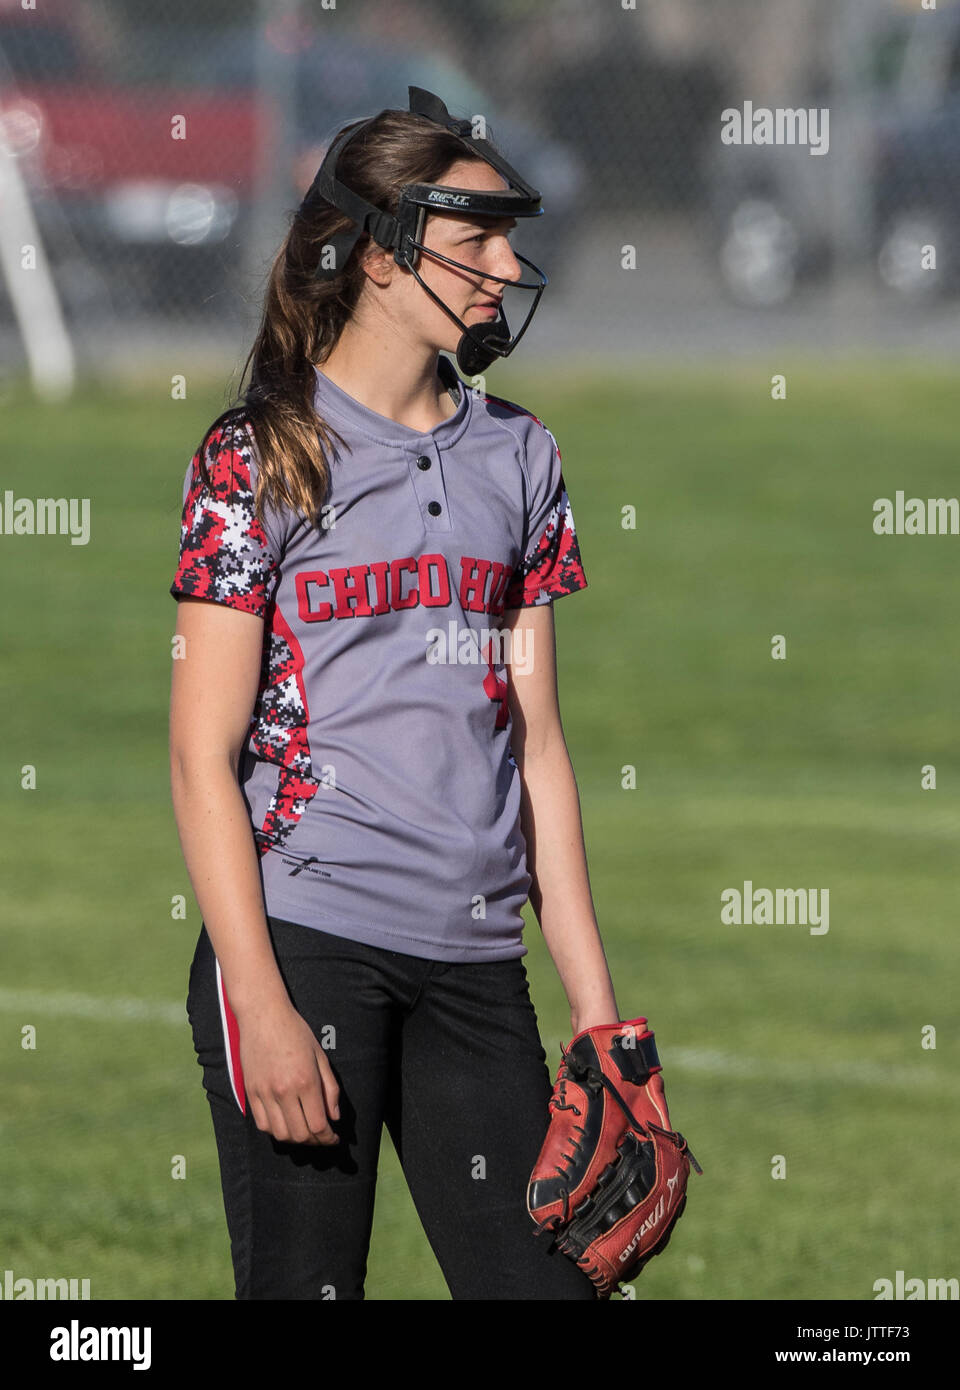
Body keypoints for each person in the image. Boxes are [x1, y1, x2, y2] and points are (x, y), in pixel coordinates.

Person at [168, 90, 619, 1301]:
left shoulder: (523, 457)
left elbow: (540, 756)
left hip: (476, 959)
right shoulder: (257, 456)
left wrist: (602, 1023)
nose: (508, 266)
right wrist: (256, 1002)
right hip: (304, 951)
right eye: (476, 238)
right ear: (380, 256)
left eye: (508, 237)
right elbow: (200, 756)